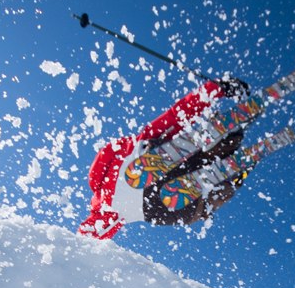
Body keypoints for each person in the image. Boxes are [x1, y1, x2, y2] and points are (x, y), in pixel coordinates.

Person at [78, 77, 250, 240]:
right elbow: (177, 115)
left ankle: (226, 181)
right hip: (146, 173)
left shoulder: (107, 210)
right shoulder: (134, 145)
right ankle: (225, 141)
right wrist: (218, 88)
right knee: (189, 151)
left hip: (158, 210)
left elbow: (85, 242)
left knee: (200, 198)